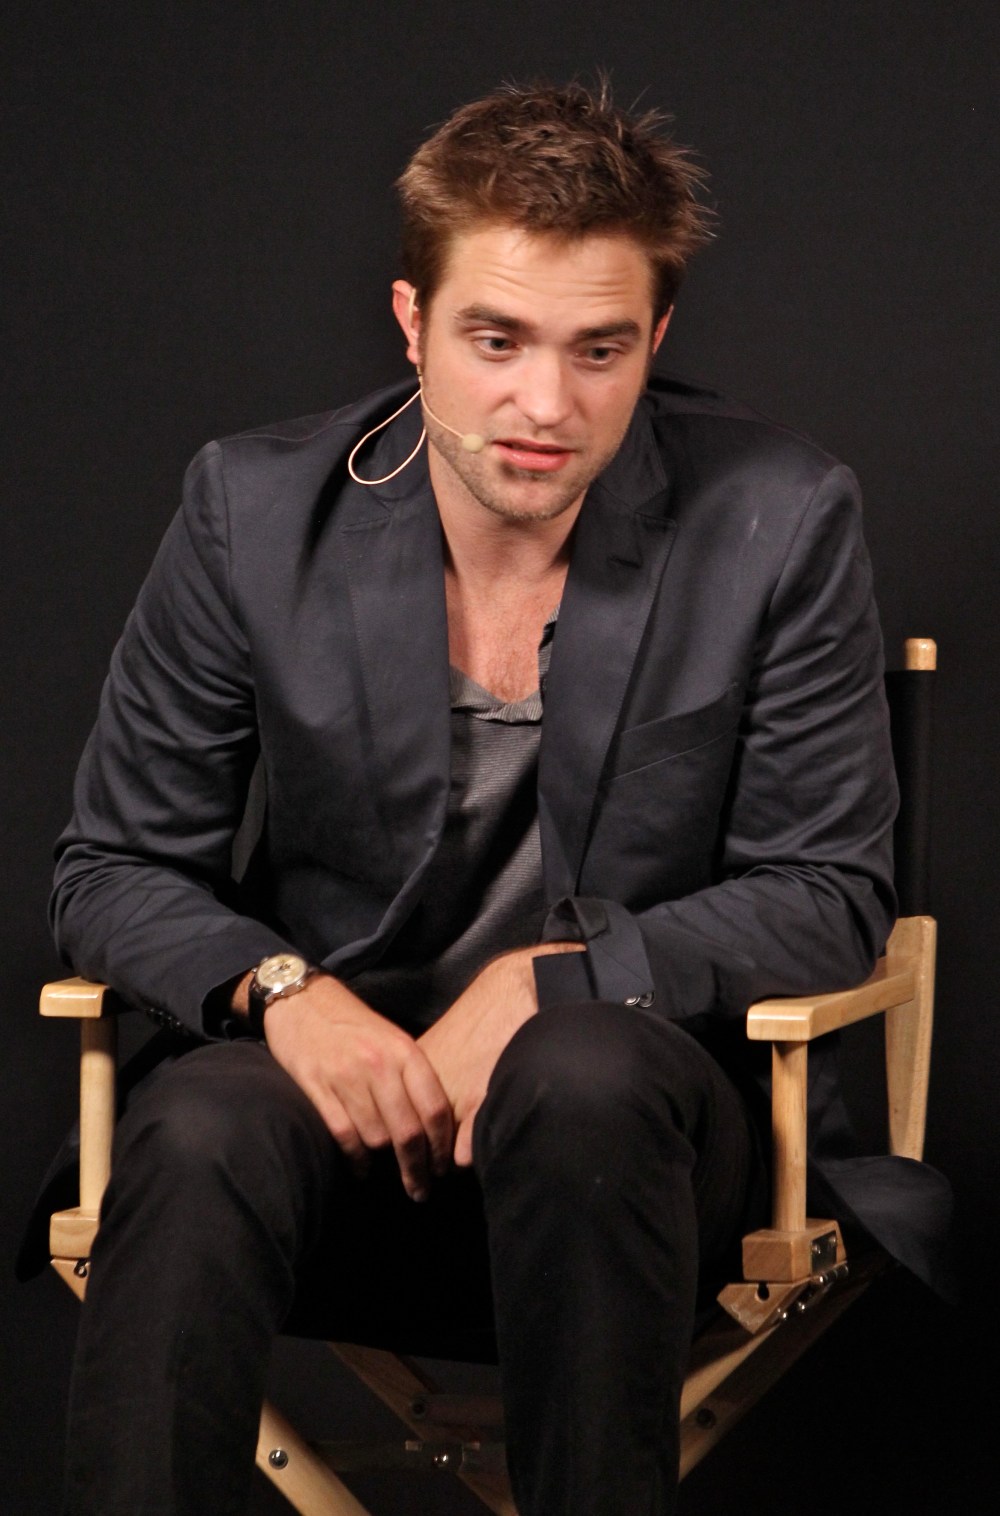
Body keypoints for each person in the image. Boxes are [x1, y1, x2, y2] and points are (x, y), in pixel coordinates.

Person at [49, 80, 910, 1515]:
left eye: (600, 349)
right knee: (195, 1127)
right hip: (330, 1114)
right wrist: (283, 992)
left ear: (657, 341)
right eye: (495, 340)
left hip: (629, 1153)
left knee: (581, 1073)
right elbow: (112, 868)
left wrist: (555, 984)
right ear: (412, 321)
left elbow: (830, 892)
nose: (545, 406)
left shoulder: (780, 514)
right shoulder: (250, 511)